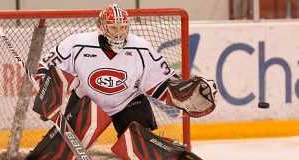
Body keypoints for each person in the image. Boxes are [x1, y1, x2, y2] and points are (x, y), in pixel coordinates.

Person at [34, 3, 217, 158]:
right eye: (114, 27)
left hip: (128, 102)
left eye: (122, 27)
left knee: (141, 145)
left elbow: (162, 82)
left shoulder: (140, 48)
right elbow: (49, 66)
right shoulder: (77, 44)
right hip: (87, 101)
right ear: (102, 27)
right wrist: (46, 90)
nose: (119, 33)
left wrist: (182, 94)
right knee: (59, 151)